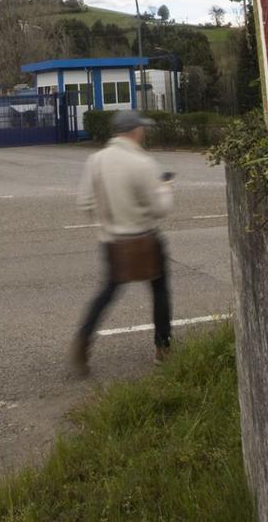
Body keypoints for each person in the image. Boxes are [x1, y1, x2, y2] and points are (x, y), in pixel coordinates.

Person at [70, 110, 174, 376]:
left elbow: (85, 202)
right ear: (135, 131)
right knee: (159, 290)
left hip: (112, 240)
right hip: (144, 238)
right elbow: (160, 208)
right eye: (142, 129)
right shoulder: (142, 162)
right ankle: (163, 348)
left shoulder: (96, 160)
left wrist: (107, 220)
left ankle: (82, 341)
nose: (143, 132)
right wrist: (165, 187)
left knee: (107, 293)